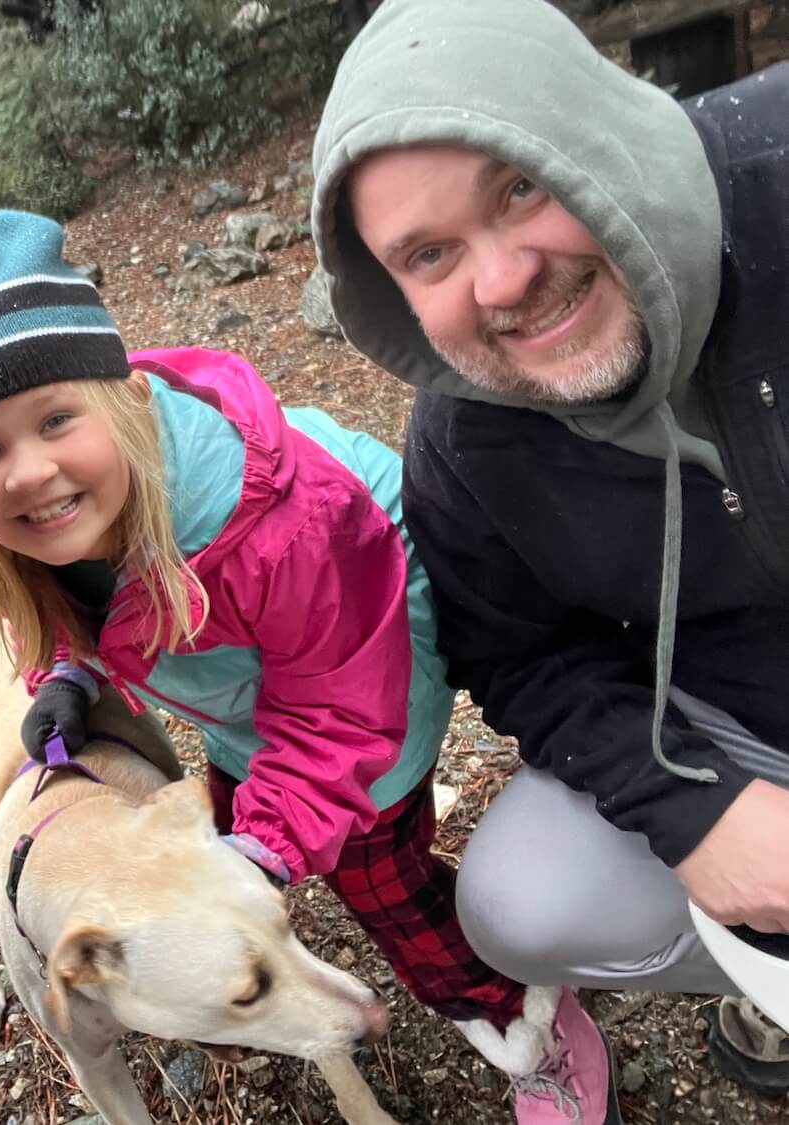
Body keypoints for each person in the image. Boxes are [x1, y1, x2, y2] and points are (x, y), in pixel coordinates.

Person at [0, 208, 544, 1083]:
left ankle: (513, 1016)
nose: (30, 471)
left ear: (123, 396)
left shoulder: (274, 523)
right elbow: (67, 609)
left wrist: (268, 845)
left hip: (372, 684)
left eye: (56, 418)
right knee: (232, 845)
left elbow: (344, 707)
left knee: (379, 877)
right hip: (249, 699)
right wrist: (68, 672)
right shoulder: (36, 532)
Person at [310, 0, 789, 1118]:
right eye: (430, 254)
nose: (503, 280)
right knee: (519, 894)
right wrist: (695, 812)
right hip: (731, 720)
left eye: (520, 185)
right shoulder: (464, 448)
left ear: (593, 127)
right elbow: (522, 660)